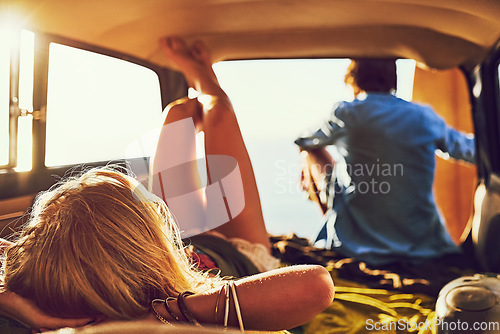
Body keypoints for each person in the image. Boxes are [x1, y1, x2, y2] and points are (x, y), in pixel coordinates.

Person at [0, 37, 334, 332]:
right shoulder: (179, 305)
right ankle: (208, 84)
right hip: (237, 254)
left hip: (179, 246)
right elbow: (317, 285)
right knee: (214, 112)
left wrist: (10, 302)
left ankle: (200, 89)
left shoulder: (43, 273)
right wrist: (170, 309)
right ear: (146, 232)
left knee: (178, 114)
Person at [296, 58, 475, 266]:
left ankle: (333, 219)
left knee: (310, 150)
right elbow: (471, 151)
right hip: (424, 247)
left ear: (353, 78)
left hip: (353, 248)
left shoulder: (346, 113)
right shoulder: (423, 116)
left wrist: (306, 170)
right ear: (393, 79)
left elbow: (303, 140)